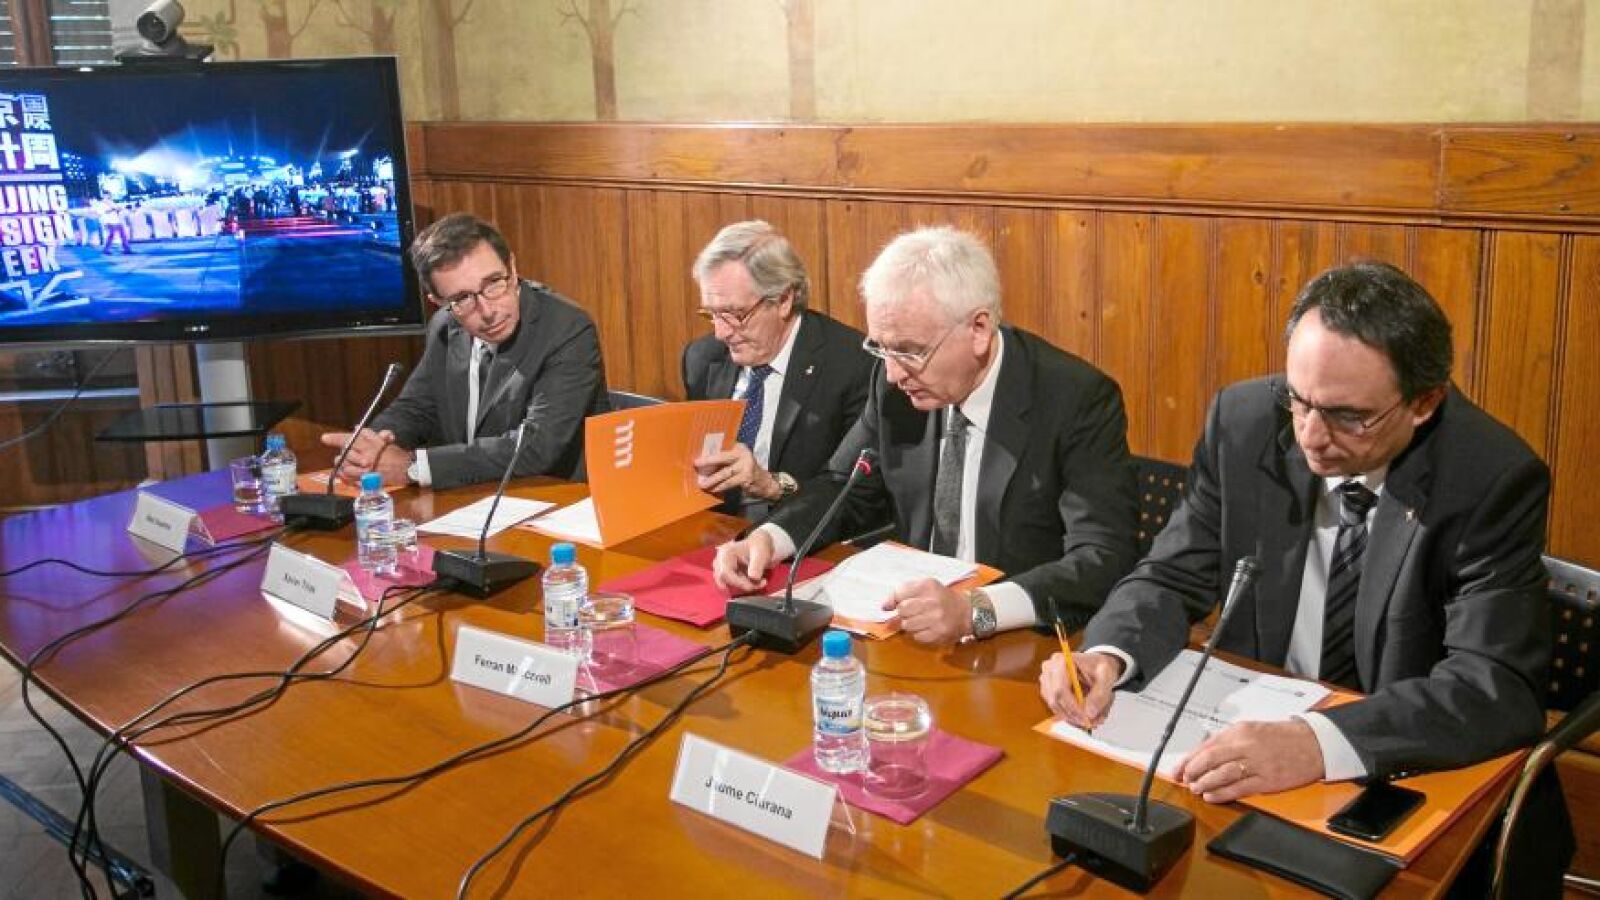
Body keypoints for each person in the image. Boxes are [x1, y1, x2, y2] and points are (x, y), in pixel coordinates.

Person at [1040, 261, 1572, 894]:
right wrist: (1107, 654)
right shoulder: (1244, 422)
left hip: (1403, 776)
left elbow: (1495, 686)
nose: (1311, 436)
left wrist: (1317, 743)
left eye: (1349, 415)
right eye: (1298, 399)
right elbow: (1173, 573)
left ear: (1424, 402)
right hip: (1246, 764)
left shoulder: (1489, 477)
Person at [713, 226, 1137, 643]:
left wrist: (976, 610)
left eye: (910, 351)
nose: (893, 373)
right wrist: (769, 539)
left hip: (1019, 640)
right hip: (909, 630)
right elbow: (843, 486)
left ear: (979, 329)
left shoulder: (1075, 399)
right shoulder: (895, 385)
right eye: (881, 347)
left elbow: (1102, 556)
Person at [322, 212, 609, 490]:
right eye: (462, 298)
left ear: (512, 268)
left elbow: (537, 447)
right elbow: (416, 408)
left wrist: (413, 467)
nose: (487, 311)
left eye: (493, 283)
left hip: (550, 498)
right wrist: (371, 447)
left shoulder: (566, 329)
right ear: (438, 301)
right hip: (468, 498)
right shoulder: (445, 325)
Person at [683, 220, 873, 517]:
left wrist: (772, 486)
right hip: (717, 529)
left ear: (784, 300)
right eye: (712, 314)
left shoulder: (852, 366)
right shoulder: (702, 358)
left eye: (735, 314)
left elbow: (856, 497)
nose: (721, 333)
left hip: (801, 532)